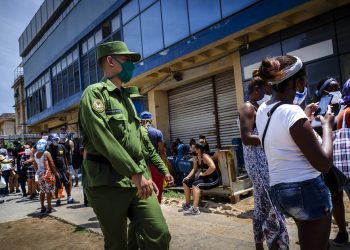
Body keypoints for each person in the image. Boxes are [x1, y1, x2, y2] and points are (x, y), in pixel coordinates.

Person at [79, 40, 170, 250]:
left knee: (159, 234)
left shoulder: (128, 98)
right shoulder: (95, 94)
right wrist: (137, 174)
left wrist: (147, 172)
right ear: (110, 61)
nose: (131, 64)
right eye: (127, 59)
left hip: (137, 180)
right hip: (107, 183)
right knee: (117, 244)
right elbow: (104, 139)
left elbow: (139, 139)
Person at [256, 55, 333, 250]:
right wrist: (327, 127)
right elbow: (324, 164)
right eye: (304, 79)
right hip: (307, 190)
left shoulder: (262, 110)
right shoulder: (292, 112)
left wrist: (304, 117)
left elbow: (284, 137)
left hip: (281, 191)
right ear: (297, 83)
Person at [239, 70, 289, 249]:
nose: (269, 93)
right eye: (268, 89)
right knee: (271, 206)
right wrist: (272, 136)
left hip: (263, 162)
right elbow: (246, 137)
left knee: (261, 206)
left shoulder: (257, 107)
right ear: (257, 90)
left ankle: (259, 242)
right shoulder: (247, 108)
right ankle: (277, 242)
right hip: (257, 164)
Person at [312, 77, 348, 246]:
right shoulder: (317, 110)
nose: (336, 90)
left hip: (346, 157)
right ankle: (342, 230)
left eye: (337, 87)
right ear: (323, 92)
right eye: (332, 88)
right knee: (336, 196)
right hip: (329, 160)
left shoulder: (344, 105)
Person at [140, 111, 173, 203]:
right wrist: (165, 165)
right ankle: (157, 205)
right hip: (155, 165)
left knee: (144, 187)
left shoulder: (137, 132)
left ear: (140, 120)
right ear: (150, 120)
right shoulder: (157, 132)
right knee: (158, 186)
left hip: (142, 165)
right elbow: (162, 151)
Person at [180, 141, 220, 215]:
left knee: (196, 185)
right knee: (185, 182)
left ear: (198, 150)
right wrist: (188, 177)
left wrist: (204, 174)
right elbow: (194, 169)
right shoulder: (196, 158)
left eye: (193, 149)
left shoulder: (205, 156)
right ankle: (188, 205)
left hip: (213, 180)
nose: (191, 150)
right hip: (204, 179)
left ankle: (195, 209)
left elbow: (213, 167)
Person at [47, 133, 75, 205]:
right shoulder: (49, 148)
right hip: (55, 170)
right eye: (54, 140)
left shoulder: (62, 146)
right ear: (51, 140)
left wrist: (67, 169)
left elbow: (65, 158)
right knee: (57, 185)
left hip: (64, 169)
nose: (56, 141)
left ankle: (69, 197)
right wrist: (53, 172)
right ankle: (57, 199)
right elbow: (48, 161)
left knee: (67, 183)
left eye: (57, 139)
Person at [33, 139, 58, 213]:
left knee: (42, 191)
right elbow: (52, 164)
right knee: (49, 191)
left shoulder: (36, 154)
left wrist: (38, 172)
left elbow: (35, 165)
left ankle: (42, 207)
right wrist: (56, 173)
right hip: (47, 175)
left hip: (40, 175)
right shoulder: (46, 153)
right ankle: (49, 207)